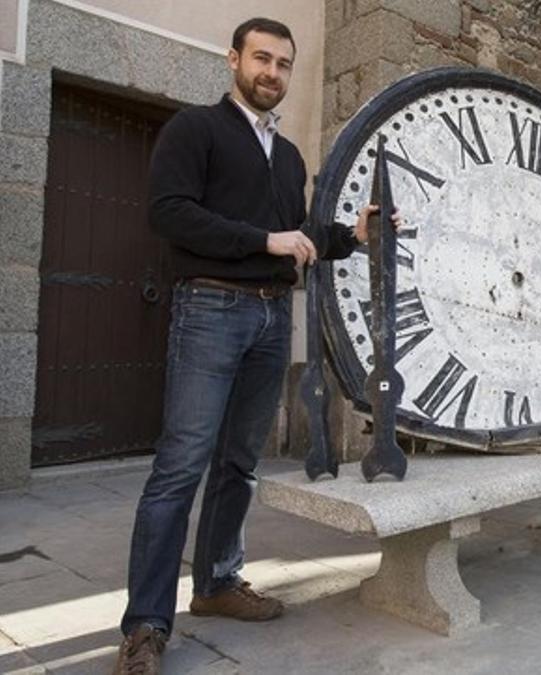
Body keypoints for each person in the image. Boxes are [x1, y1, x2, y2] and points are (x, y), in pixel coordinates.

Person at [114, 18, 393, 674]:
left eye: (283, 63)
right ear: (233, 59)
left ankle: (215, 584)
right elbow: (169, 212)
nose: (272, 72)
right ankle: (146, 625)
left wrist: (349, 233)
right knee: (180, 466)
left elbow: (295, 234)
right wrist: (264, 242)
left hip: (270, 321)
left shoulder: (289, 155)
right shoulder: (195, 129)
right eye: (261, 58)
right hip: (210, 307)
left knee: (240, 460)